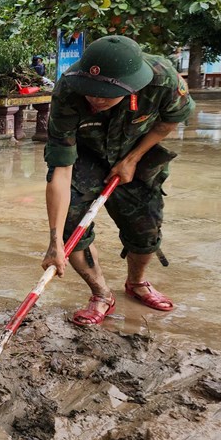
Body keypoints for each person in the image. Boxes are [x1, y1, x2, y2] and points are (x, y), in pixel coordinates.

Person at [41, 35, 194, 327]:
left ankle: (136, 283)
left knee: (146, 228)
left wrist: (134, 158)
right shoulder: (68, 90)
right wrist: (54, 241)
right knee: (71, 227)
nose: (95, 99)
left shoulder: (163, 80)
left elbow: (170, 120)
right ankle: (101, 294)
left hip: (135, 151)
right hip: (85, 155)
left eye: (105, 94)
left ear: (132, 87)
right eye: (91, 91)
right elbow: (61, 169)